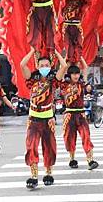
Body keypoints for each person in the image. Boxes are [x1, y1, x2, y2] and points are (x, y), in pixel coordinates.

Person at [20, 47, 67, 189]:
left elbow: (64, 66)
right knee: (31, 146)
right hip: (33, 118)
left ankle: (48, 173)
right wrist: (32, 51)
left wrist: (56, 52)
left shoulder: (53, 80)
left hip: (48, 119)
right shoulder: (32, 79)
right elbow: (22, 65)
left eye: (47, 65)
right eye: (42, 66)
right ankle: (34, 176)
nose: (44, 67)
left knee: (49, 147)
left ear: (51, 66)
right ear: (37, 66)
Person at [56, 58, 99, 170]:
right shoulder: (63, 84)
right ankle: (72, 159)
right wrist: (67, 59)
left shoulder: (81, 84)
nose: (75, 75)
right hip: (69, 114)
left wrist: (79, 57)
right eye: (73, 73)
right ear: (69, 75)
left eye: (77, 73)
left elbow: (85, 68)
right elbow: (62, 68)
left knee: (86, 136)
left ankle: (90, 160)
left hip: (81, 114)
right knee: (70, 138)